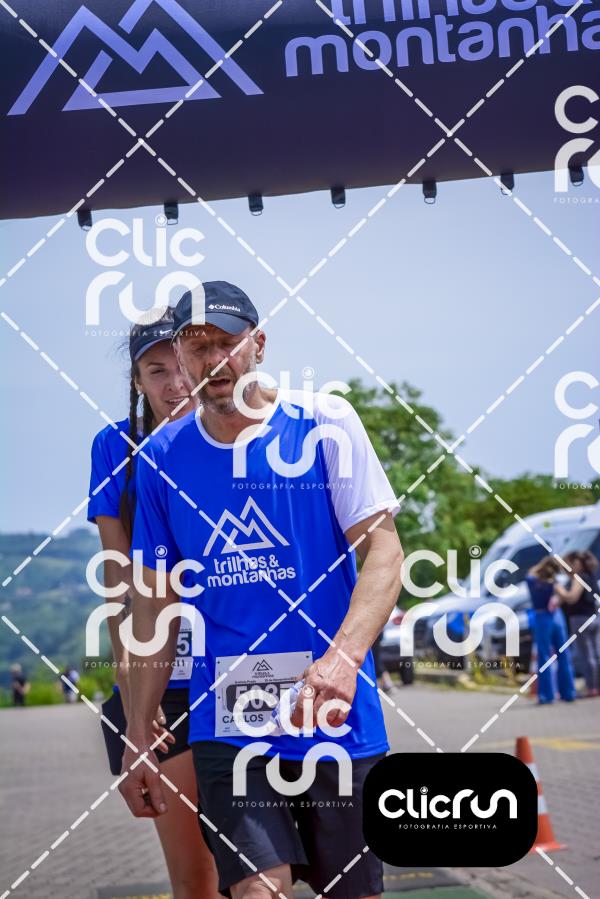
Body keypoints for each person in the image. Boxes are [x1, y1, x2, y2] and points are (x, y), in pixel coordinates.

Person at [119, 281, 404, 899]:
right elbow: (153, 603)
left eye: (227, 343)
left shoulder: (325, 422)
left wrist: (343, 660)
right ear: (181, 356)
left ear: (259, 345)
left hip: (335, 712)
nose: (213, 360)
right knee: (257, 890)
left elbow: (384, 552)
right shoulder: (162, 457)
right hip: (230, 721)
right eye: (197, 348)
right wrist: (138, 730)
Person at [87, 310, 218, 899]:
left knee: (262, 866)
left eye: (182, 365)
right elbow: (119, 581)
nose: (174, 383)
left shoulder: (240, 439)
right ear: (137, 382)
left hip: (242, 669)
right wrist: (133, 685)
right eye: (155, 371)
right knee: (195, 878)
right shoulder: (114, 446)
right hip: (166, 682)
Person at [525, 556, 576, 705]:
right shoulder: (554, 582)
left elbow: (531, 574)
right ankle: (568, 693)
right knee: (563, 654)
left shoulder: (532, 579)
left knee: (544, 656)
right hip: (556, 616)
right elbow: (566, 597)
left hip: (542, 616)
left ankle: (547, 696)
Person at [555, 551, 600, 697]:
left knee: (586, 655)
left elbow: (572, 597)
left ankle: (592, 687)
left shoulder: (579, 578)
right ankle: (596, 686)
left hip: (580, 619)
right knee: (596, 653)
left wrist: (559, 590)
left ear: (576, 563)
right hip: (594, 617)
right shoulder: (591, 576)